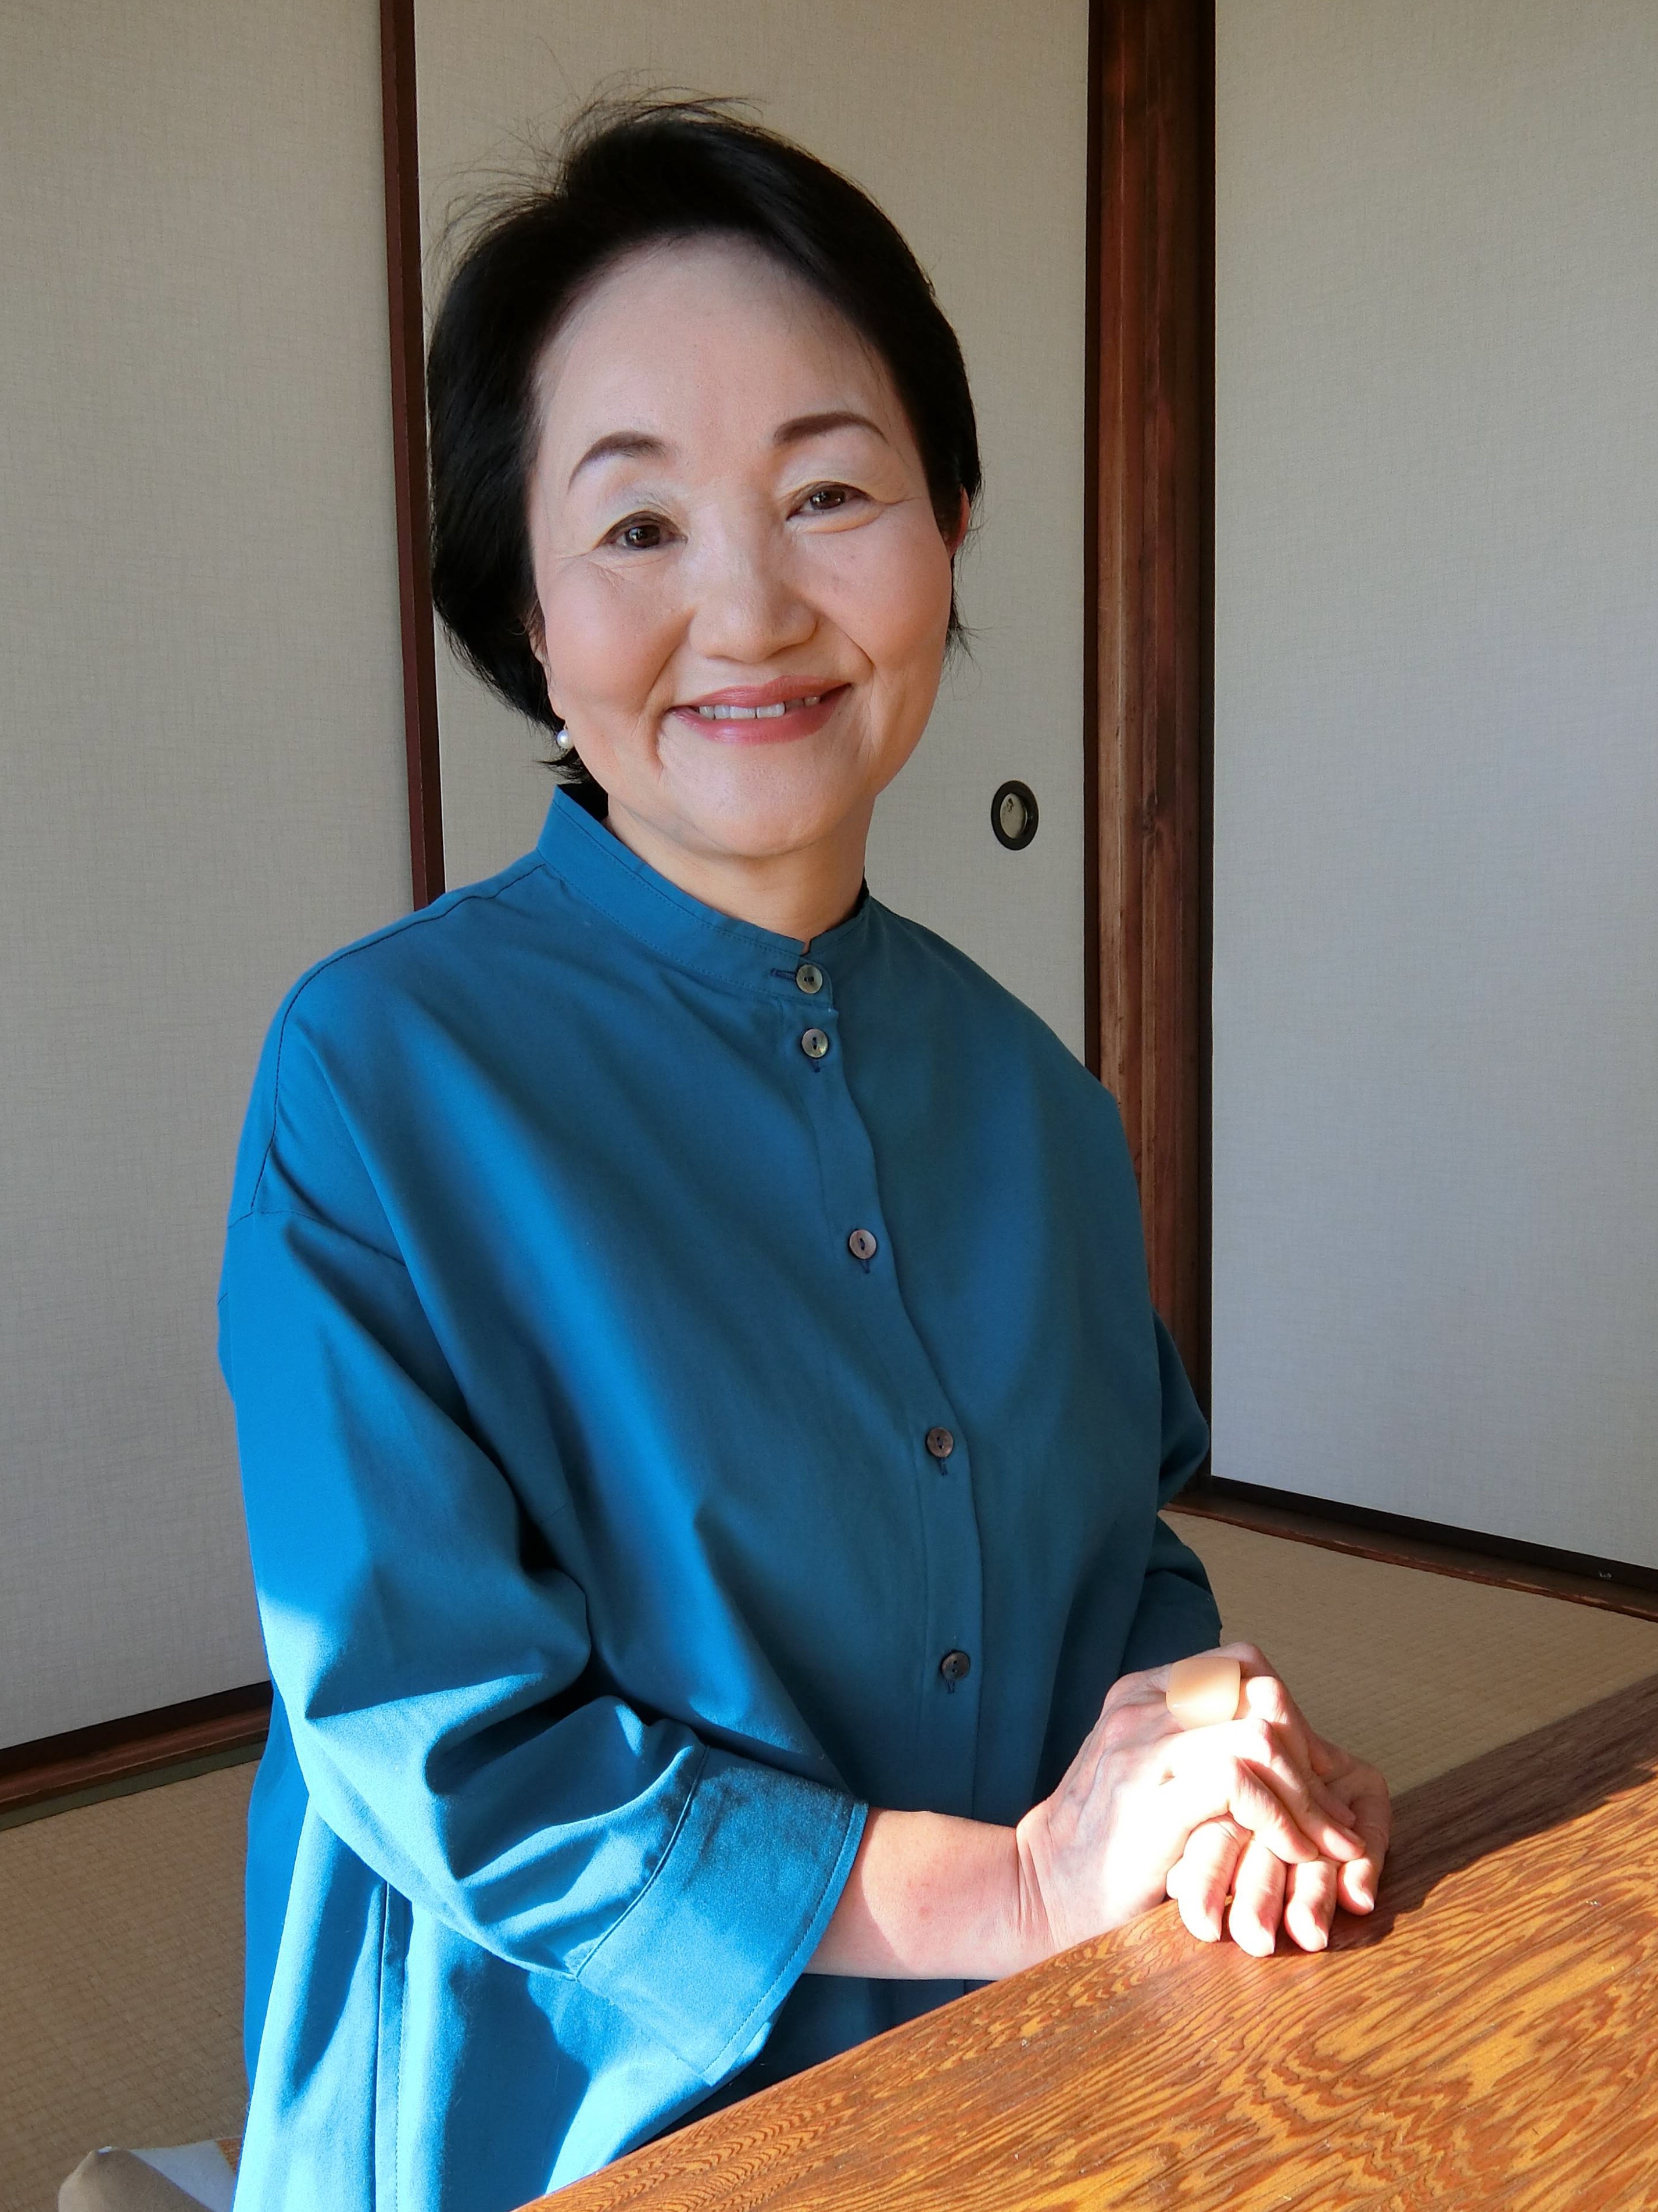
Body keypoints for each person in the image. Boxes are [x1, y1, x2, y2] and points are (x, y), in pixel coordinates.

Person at [219, 99, 1389, 2212]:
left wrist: (1210, 1779)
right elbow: (445, 1746)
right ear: (526, 604)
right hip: (552, 2134)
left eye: (830, 492)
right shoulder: (375, 1081)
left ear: (951, 521)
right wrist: (1013, 1889)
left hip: (1010, 2069)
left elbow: (1116, 1565)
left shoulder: (1039, 1098)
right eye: (638, 527)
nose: (750, 608)